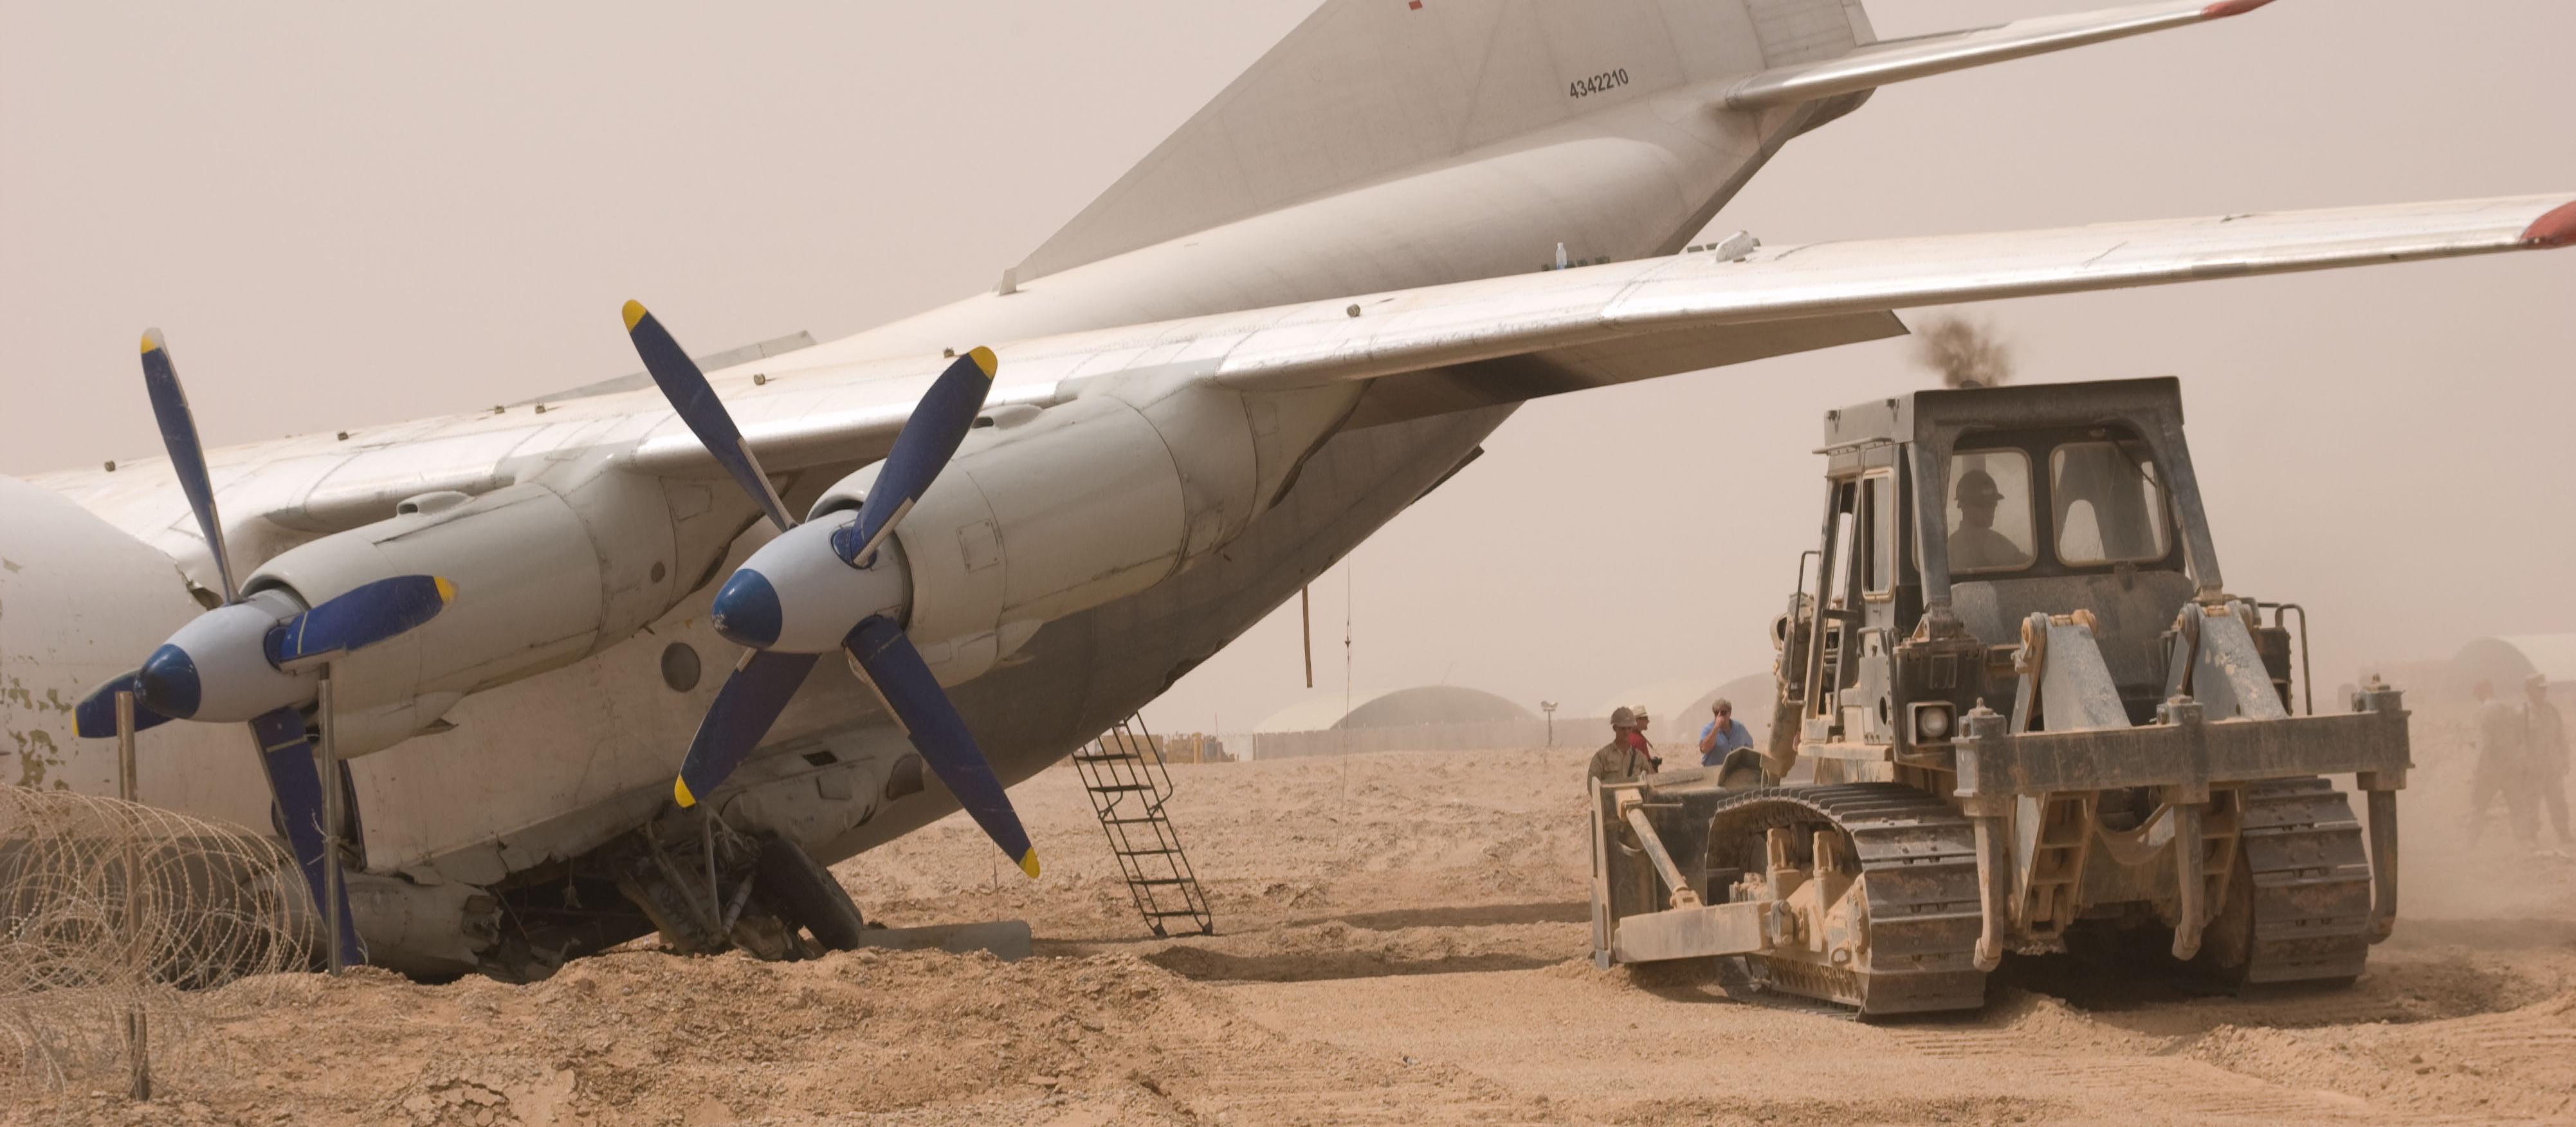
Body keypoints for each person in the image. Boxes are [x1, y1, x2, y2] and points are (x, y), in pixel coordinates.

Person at [2469, 679, 2539, 848]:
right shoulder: (2508, 708)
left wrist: (2477, 769)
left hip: (2491, 768)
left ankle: (2471, 842)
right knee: (2517, 805)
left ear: (2482, 693)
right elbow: (2520, 736)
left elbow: (2484, 743)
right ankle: (2525, 841)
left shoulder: (2484, 710)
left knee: (2480, 806)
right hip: (2511, 765)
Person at [2525, 675, 2571, 847]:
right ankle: (2531, 837)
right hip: (2533, 770)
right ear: (2530, 691)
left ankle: (2564, 833)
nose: (2544, 692)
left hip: (2553, 767)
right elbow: (2518, 744)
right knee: (2531, 804)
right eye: (2540, 689)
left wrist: (2566, 759)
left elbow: (2561, 738)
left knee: (2558, 801)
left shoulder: (2552, 711)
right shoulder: (2522, 713)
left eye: (2545, 689)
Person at [1948, 468, 2022, 573]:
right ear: (1964, 506)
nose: (1990, 511)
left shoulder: (1998, 542)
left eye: (1993, 505)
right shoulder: (1952, 548)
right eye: (1982, 504)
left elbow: (2027, 565)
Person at [1587, 707, 1658, 786]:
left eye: (1629, 728)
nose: (1626, 732)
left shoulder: (1640, 758)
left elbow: (1649, 783)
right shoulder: (1602, 757)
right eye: (1623, 728)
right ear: (1615, 728)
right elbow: (1592, 786)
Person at [1699, 698, 1754, 767]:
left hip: (1734, 772)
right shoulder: (1707, 729)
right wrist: (1716, 728)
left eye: (1723, 713)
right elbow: (1704, 749)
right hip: (1714, 772)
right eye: (1716, 713)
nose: (1720, 716)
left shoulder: (1740, 728)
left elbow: (1750, 747)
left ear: (1730, 713)